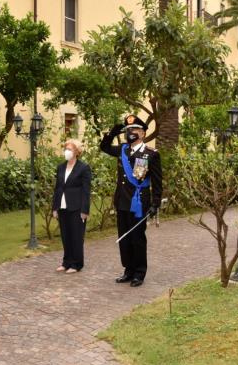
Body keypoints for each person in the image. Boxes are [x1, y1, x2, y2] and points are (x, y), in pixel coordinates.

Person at [100, 114, 162, 287]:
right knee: (124, 238)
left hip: (139, 203)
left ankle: (139, 273)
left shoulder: (151, 154)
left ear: (142, 133)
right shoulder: (122, 150)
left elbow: (157, 182)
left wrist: (155, 203)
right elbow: (104, 147)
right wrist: (112, 132)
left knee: (137, 238)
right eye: (128, 130)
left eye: (134, 129)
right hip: (122, 201)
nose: (130, 133)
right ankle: (128, 270)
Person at [51, 139, 92, 273]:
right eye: (66, 148)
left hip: (77, 207)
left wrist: (85, 210)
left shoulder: (84, 168)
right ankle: (66, 262)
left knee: (76, 236)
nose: (67, 151)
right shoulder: (61, 167)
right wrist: (55, 207)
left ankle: (76, 264)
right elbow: (57, 188)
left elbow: (86, 191)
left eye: (70, 149)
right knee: (65, 235)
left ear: (77, 152)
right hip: (62, 206)